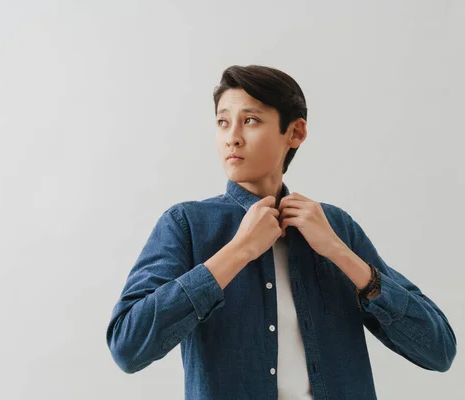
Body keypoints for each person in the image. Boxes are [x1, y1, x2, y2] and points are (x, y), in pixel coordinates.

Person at [106, 65, 457, 399]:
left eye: (250, 120)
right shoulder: (186, 224)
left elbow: (438, 350)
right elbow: (128, 346)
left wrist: (339, 253)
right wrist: (239, 250)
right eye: (223, 122)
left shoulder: (336, 228)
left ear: (296, 132)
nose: (233, 138)